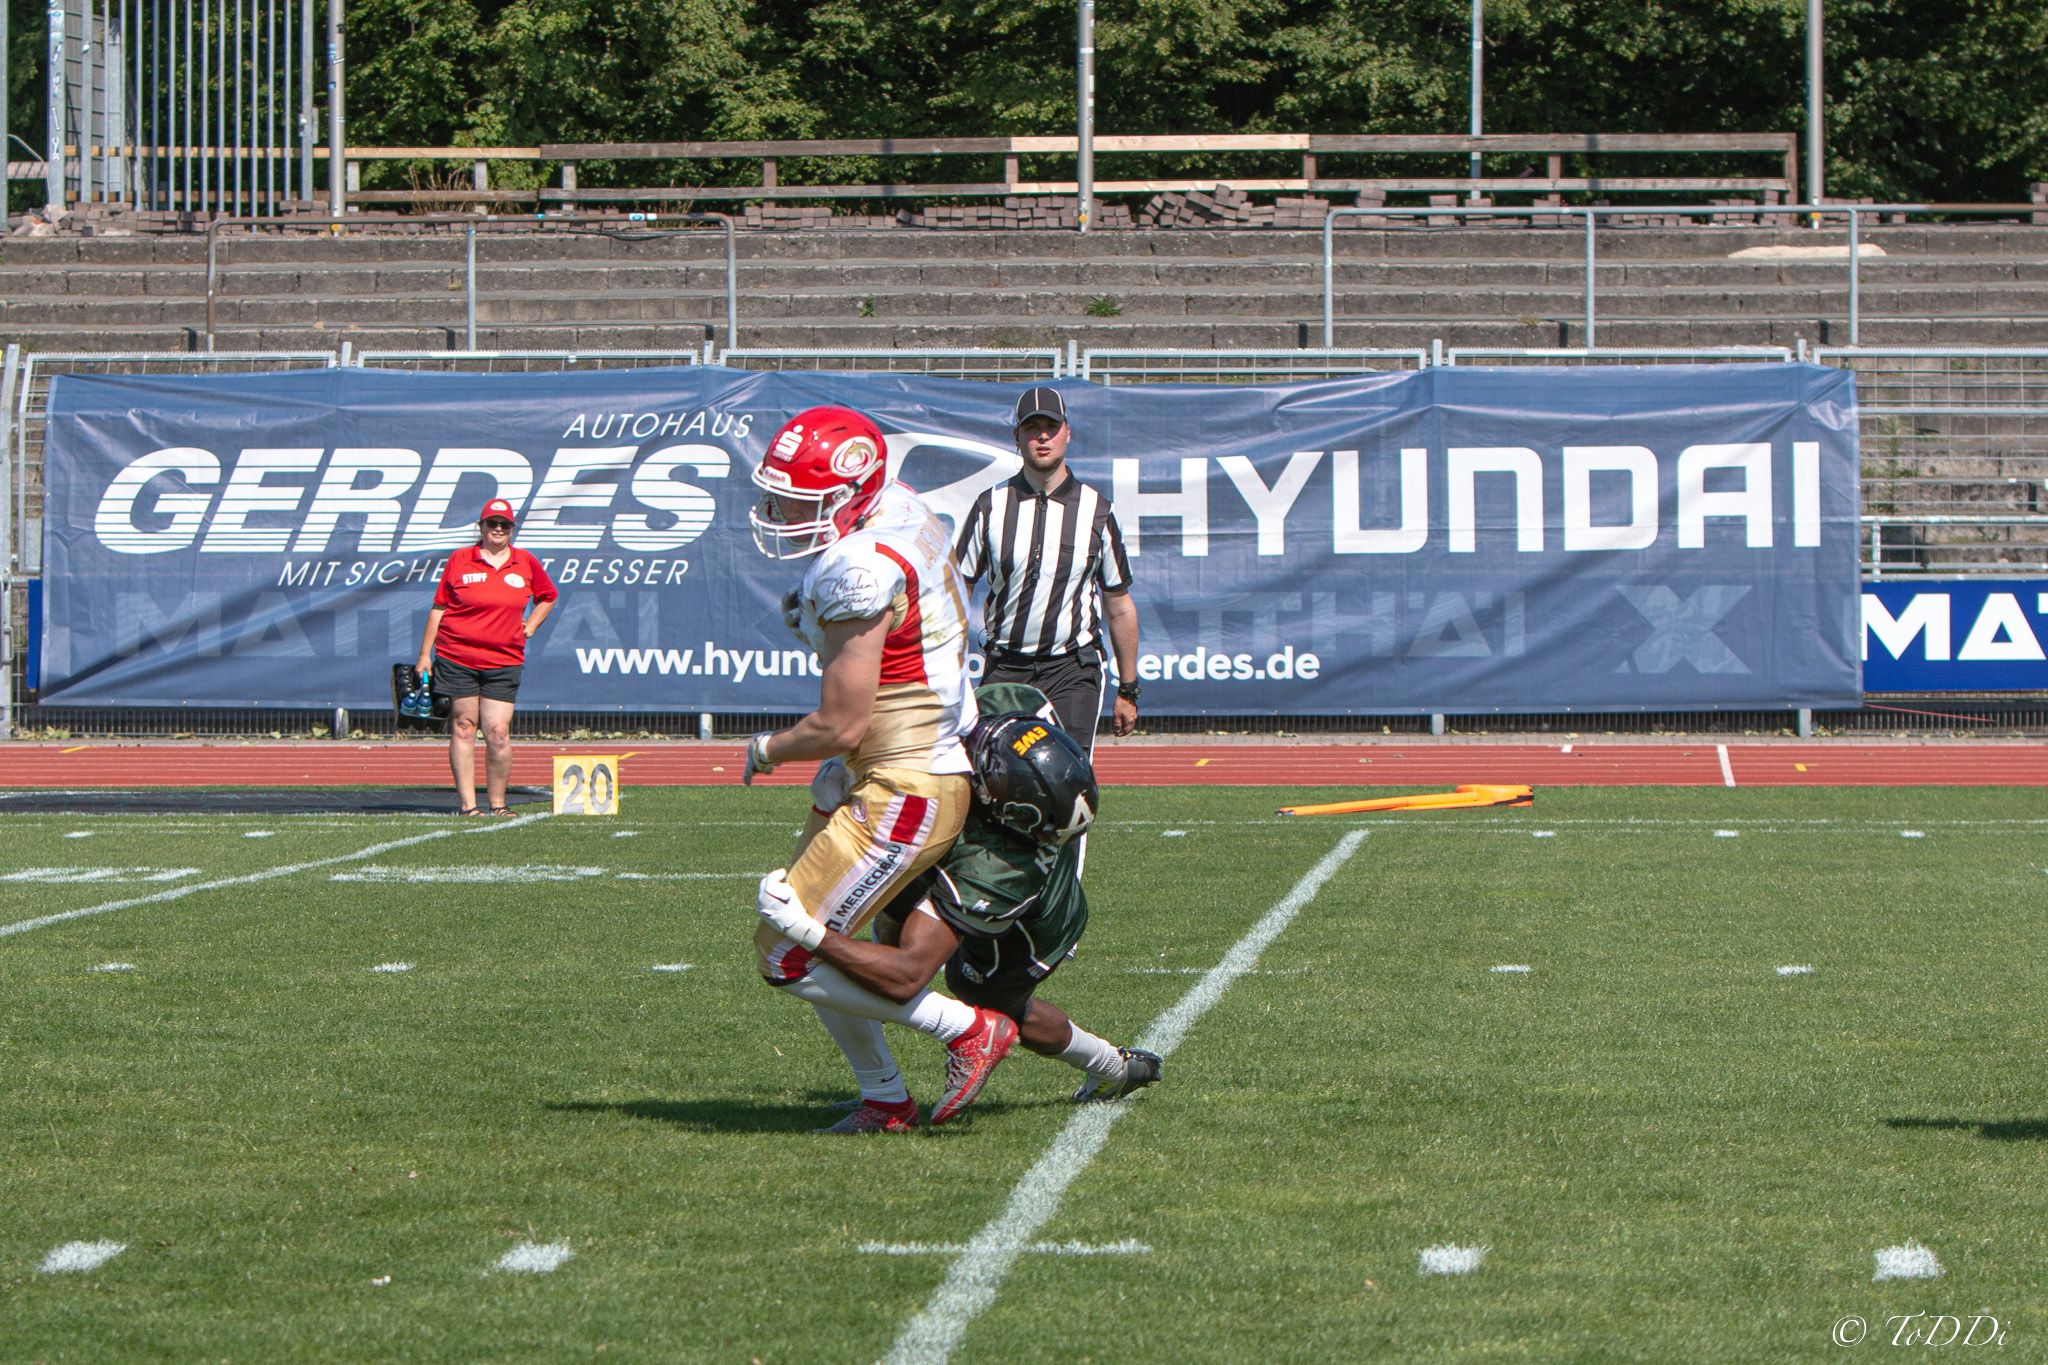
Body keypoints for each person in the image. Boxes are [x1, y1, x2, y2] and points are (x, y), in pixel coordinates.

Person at [740, 405, 1016, 1133]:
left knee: (785, 952)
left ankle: (965, 1030)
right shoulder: (898, 509)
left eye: (801, 501)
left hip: (907, 782)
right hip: (892, 765)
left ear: (850, 493)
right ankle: (885, 1101)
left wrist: (766, 749)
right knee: (815, 940)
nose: (783, 514)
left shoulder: (858, 566)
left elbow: (840, 723)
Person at [758, 686, 1162, 1116]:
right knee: (873, 938)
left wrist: (807, 931)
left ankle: (1112, 1066)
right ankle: (882, 1095)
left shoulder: (999, 866)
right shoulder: (1008, 703)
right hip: (959, 845)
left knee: (989, 1000)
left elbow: (908, 976)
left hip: (1037, 921)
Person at [953, 385, 1142, 757]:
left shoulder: (1097, 511)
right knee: (996, 774)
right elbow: (956, 595)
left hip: (1073, 668)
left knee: (1067, 774)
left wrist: (1128, 688)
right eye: (1032, 427)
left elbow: (1119, 605)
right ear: (1017, 436)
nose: (1042, 436)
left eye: (1051, 427)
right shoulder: (990, 506)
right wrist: (948, 672)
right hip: (1005, 666)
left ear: (1067, 433)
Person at [414, 497, 558, 816]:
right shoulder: (460, 559)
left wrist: (531, 626)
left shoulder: (525, 562)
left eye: (504, 524)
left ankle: (498, 803)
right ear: (481, 526)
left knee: (498, 732)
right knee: (464, 726)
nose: (498, 529)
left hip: (504, 660)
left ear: (512, 529)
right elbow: (439, 608)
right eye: (492, 523)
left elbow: (548, 596)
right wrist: (424, 655)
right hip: (457, 656)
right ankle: (468, 806)